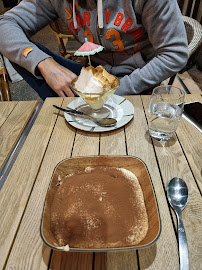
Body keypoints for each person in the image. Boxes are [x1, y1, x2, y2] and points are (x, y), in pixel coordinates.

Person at [0, 0, 188, 100]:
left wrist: (116, 91)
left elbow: (175, 54)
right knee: (27, 56)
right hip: (92, 75)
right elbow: (5, 24)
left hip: (138, 79)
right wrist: (43, 63)